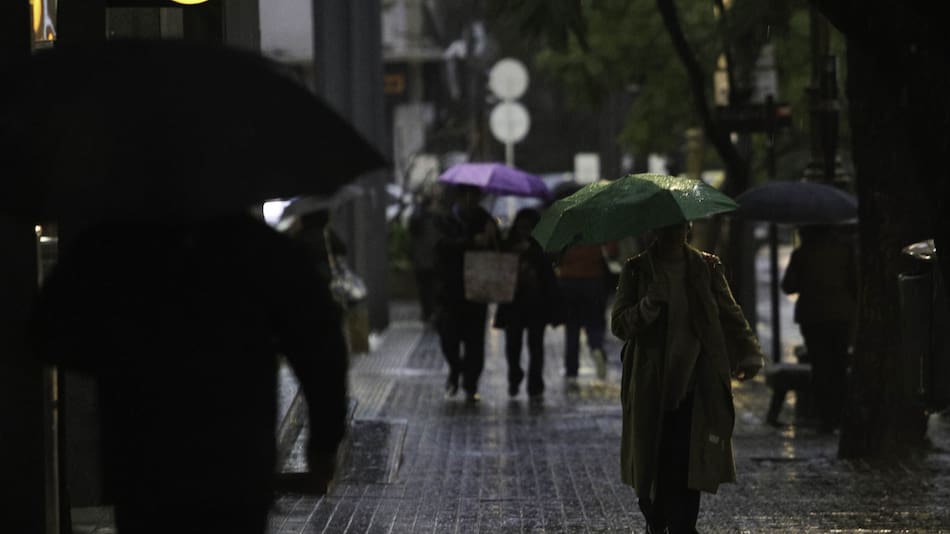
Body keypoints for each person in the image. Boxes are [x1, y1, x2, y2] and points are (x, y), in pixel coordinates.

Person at [29, 214, 348, 534]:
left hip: (144, 455)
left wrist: (122, 361)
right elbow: (321, 345)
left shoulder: (113, 245)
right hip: (236, 458)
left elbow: (47, 333)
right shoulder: (258, 248)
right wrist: (324, 442)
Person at [611, 222, 764, 534]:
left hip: (697, 381)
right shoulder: (637, 270)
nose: (674, 233)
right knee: (653, 460)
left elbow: (729, 312)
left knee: (689, 459)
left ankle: (683, 526)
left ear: (688, 227)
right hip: (651, 384)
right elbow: (619, 325)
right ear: (655, 230)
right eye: (667, 226)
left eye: (680, 225)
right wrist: (648, 305)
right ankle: (655, 518)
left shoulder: (706, 267)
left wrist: (748, 352)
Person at [781, 224, 857, 433]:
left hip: (813, 317)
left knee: (821, 366)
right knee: (839, 366)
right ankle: (840, 416)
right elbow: (855, 282)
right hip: (840, 316)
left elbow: (788, 285)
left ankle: (826, 418)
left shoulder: (802, 254)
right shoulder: (844, 251)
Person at [433, 184, 500, 402]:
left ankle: (471, 384)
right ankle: (455, 369)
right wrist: (470, 242)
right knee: (448, 338)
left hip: (477, 290)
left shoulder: (485, 220)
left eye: (475, 196)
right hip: (450, 290)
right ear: (459, 197)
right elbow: (441, 247)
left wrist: (492, 237)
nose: (471, 201)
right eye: (467, 196)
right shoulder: (445, 221)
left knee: (475, 342)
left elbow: (498, 252)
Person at [493, 208, 560, 399]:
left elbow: (549, 271)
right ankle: (515, 376)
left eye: (529, 227)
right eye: (521, 227)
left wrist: (531, 253)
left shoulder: (540, 245)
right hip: (513, 303)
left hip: (536, 304)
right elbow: (498, 261)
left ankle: (535, 385)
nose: (525, 231)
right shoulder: (508, 244)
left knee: (535, 346)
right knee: (513, 346)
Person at [557, 241, 616, 381]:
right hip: (593, 280)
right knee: (594, 322)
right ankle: (596, 347)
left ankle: (571, 369)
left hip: (568, 281)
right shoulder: (594, 228)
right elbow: (612, 251)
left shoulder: (565, 231)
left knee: (572, 327)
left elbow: (555, 256)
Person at [408, 192, 442, 324]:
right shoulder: (433, 219)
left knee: (424, 288)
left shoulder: (417, 219)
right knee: (431, 288)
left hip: (421, 260)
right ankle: (431, 313)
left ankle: (428, 313)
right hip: (431, 260)